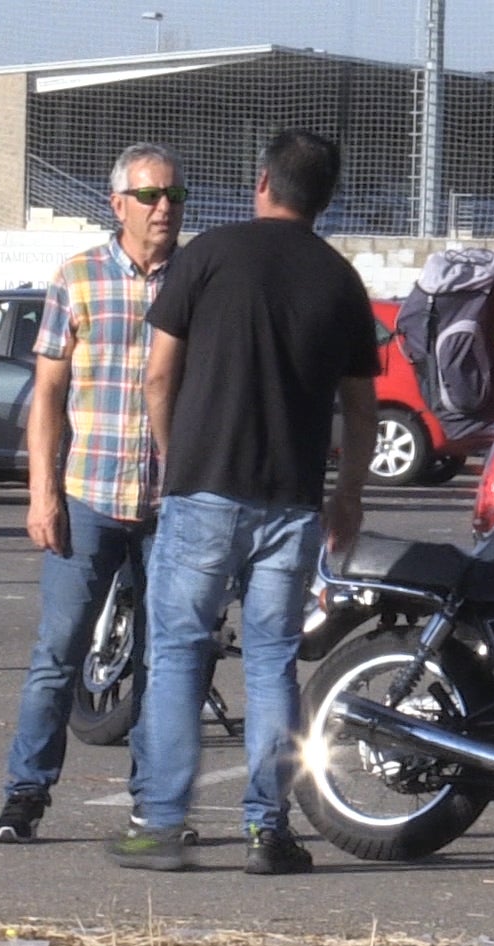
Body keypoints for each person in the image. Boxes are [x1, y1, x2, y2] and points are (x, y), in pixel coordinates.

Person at [112, 128, 379, 875]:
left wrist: (172, 455)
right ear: (324, 198)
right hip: (291, 502)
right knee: (271, 663)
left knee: (175, 653)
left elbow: (160, 375)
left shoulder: (206, 256)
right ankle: (269, 829)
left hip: (203, 488)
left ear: (262, 183)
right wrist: (348, 494)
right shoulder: (340, 281)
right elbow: (361, 410)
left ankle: (162, 823)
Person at [0, 143, 186, 845]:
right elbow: (47, 392)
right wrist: (42, 493)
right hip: (89, 495)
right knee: (59, 650)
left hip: (172, 504)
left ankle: (154, 804)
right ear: (118, 204)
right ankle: (24, 795)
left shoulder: (196, 279)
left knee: (166, 660)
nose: (166, 208)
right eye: (152, 195)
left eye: (174, 195)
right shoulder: (78, 277)